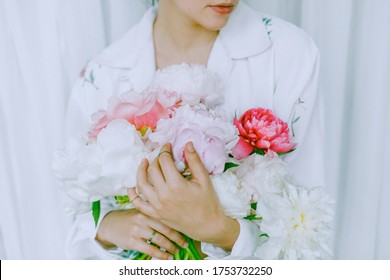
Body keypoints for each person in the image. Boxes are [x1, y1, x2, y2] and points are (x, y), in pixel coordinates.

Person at [65, 0, 324, 260]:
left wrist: (223, 231)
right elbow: (73, 225)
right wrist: (107, 228)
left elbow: (309, 230)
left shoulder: (289, 54)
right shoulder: (100, 77)